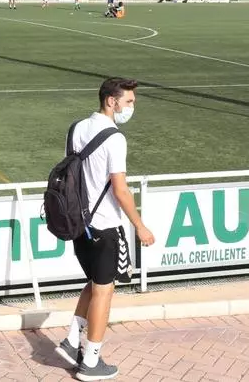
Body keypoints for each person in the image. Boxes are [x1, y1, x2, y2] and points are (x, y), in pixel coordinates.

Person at [54, 78, 154, 381]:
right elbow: (120, 189)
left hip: (78, 223)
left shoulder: (76, 128)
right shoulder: (115, 138)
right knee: (104, 291)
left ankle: (72, 341)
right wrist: (140, 226)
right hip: (104, 225)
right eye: (129, 102)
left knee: (94, 281)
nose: (131, 107)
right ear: (112, 101)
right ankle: (91, 361)